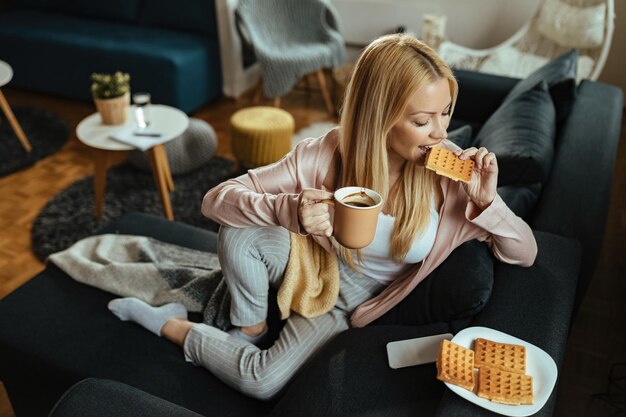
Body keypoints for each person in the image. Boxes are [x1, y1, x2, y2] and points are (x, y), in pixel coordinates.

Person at [107, 33, 537, 400]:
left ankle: (174, 326)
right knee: (240, 234)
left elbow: (526, 253)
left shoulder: (451, 176)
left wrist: (488, 203)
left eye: (446, 113)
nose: (441, 132)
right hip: (311, 262)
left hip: (349, 299)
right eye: (423, 120)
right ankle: (249, 328)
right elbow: (216, 199)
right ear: (380, 115)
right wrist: (287, 209)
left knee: (263, 381)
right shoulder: (325, 152)